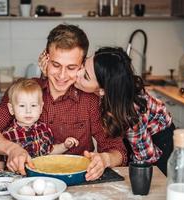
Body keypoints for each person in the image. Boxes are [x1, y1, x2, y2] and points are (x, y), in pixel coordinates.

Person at [0, 24, 127, 180]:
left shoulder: (90, 100)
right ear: (45, 58)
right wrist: (11, 149)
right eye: (56, 65)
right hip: (25, 182)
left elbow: (118, 150)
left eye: (71, 67)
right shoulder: (23, 90)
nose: (62, 76)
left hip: (75, 185)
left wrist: (105, 159)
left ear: (82, 66)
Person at [74, 47, 175, 175]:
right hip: (134, 135)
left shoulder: (131, 112)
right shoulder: (110, 92)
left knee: (148, 178)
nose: (78, 73)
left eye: (86, 76)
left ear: (102, 90)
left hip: (159, 141)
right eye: (83, 65)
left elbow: (146, 158)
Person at [0, 79, 79, 172]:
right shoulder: (7, 135)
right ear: (11, 109)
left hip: (41, 175)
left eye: (33, 106)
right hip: (17, 177)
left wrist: (64, 146)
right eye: (22, 106)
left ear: (40, 108)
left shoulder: (44, 129)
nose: (28, 111)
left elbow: (49, 152)